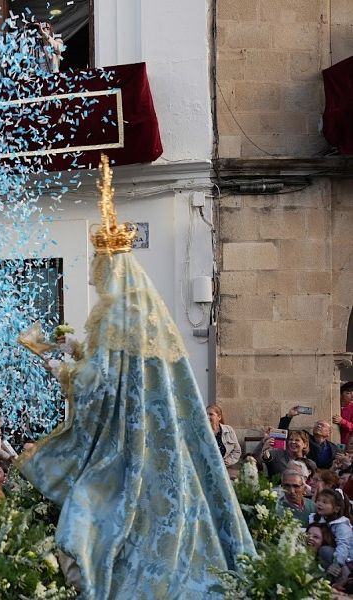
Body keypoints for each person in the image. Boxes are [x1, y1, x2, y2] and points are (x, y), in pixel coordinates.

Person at [17, 162, 254, 597]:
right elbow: (117, 369)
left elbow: (99, 384)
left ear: (111, 266)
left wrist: (57, 368)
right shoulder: (144, 311)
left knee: (87, 521)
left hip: (124, 444)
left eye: (98, 262)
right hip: (153, 438)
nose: (93, 270)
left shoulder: (116, 315)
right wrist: (72, 350)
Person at [310, 489, 353, 583]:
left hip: (347, 559)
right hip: (333, 555)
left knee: (325, 550)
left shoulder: (341, 525)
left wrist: (338, 563)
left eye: (325, 502)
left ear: (336, 509)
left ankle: (343, 577)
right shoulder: (318, 518)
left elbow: (343, 545)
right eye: (318, 500)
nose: (319, 504)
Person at [205, 405, 241, 469]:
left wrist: (225, 462)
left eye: (211, 414)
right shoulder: (201, 432)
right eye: (206, 414)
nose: (207, 417)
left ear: (219, 417)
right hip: (206, 468)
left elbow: (237, 451)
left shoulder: (229, 430)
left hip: (225, 469)